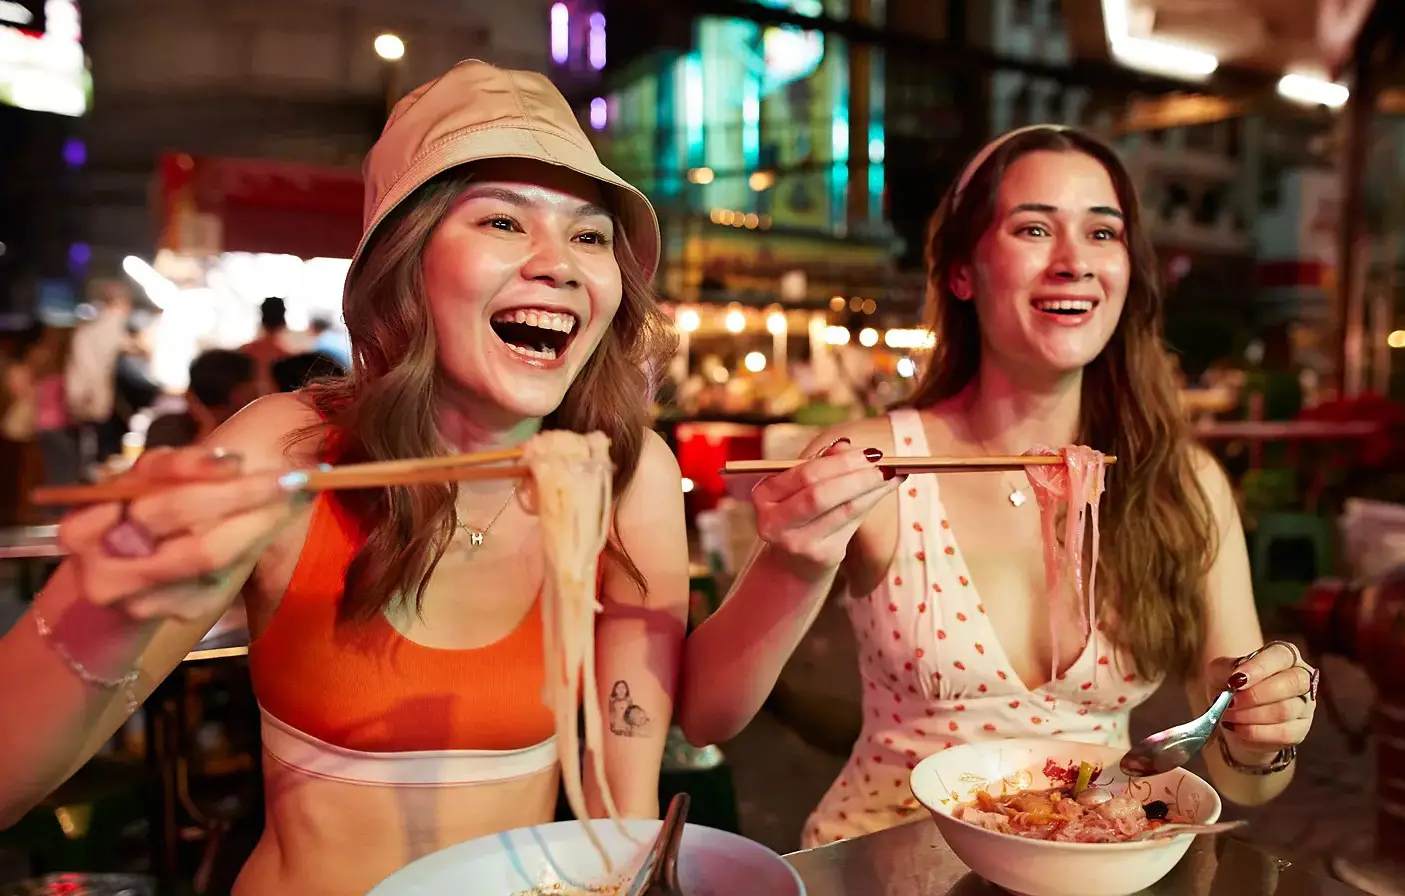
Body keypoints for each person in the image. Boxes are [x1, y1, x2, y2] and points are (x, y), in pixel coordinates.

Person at [0, 59, 688, 895]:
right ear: (404, 263)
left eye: (589, 235)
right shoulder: (282, 454)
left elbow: (628, 799)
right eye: (503, 222)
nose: (559, 263)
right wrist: (107, 613)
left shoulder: (611, 467)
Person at [677, 126, 1318, 846]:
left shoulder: (1182, 482)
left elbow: (1243, 780)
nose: (1073, 262)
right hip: (887, 866)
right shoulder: (876, 458)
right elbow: (703, 717)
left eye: (1101, 234)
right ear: (960, 271)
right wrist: (794, 560)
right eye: (1034, 228)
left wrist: (1261, 732)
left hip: (1092, 862)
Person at [144, 349, 264, 449]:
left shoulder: (254, 429)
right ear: (236, 392)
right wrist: (207, 424)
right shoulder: (167, 428)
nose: (259, 392)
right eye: (253, 385)